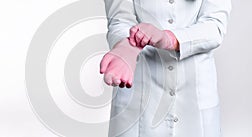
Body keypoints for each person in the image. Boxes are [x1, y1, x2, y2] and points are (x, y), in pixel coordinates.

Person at [99, 0, 231, 136]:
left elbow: (215, 25)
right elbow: (120, 21)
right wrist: (125, 46)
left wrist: (171, 38)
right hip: (140, 88)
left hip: (194, 93)